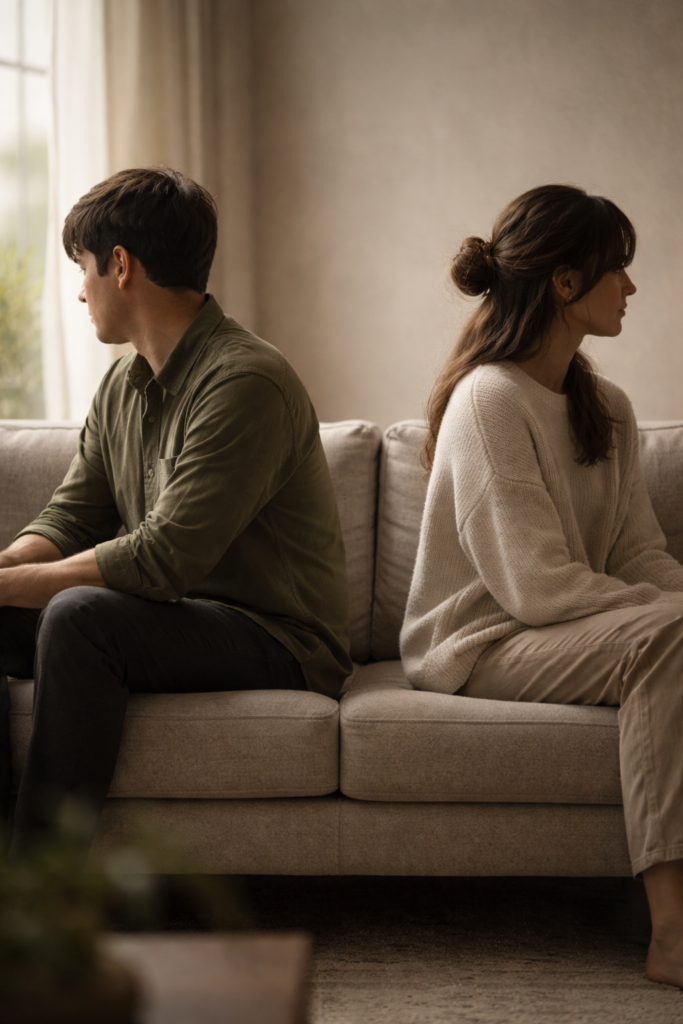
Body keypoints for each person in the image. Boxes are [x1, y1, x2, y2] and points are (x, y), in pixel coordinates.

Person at [0, 166, 351, 853]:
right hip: (175, 618)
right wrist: (6, 567)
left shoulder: (246, 380)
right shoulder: (121, 386)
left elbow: (164, 559)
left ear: (120, 266)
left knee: (80, 616)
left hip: (277, 637)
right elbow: (72, 515)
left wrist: (11, 585)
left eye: (83, 267)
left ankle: (41, 896)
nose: (79, 290)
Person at [401, 184, 683, 987]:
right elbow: (534, 588)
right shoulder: (488, 399)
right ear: (563, 282)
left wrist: (672, 601)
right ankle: (670, 934)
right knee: (667, 634)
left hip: (563, 630)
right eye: (616, 270)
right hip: (483, 641)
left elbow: (640, 555)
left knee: (671, 627)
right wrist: (666, 613)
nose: (630, 288)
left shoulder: (611, 410)